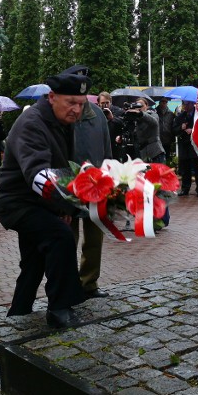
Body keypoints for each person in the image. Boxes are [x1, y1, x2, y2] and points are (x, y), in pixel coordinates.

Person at [0, 71, 92, 329]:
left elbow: (62, 165)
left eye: (81, 104)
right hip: (17, 201)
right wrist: (66, 204)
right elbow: (37, 173)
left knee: (35, 258)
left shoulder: (59, 119)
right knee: (59, 236)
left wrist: (63, 202)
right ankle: (59, 310)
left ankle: (19, 311)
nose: (76, 110)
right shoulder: (33, 122)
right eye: (71, 102)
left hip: (38, 201)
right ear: (51, 97)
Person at [67, 65, 113, 298]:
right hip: (67, 188)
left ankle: (88, 283)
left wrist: (110, 179)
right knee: (67, 238)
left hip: (97, 187)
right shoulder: (63, 115)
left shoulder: (98, 116)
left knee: (95, 238)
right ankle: (66, 285)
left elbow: (107, 151)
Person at [173, 101, 198, 197]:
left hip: (196, 145)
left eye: (187, 104)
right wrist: (181, 127)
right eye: (184, 104)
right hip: (184, 146)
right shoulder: (180, 117)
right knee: (185, 168)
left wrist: (193, 130)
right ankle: (185, 188)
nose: (185, 106)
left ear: (192, 104)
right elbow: (174, 130)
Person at [127, 97, 165, 163]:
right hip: (143, 155)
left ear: (146, 106)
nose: (139, 107)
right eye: (137, 105)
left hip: (155, 153)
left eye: (141, 105)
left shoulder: (153, 114)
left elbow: (154, 122)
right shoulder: (134, 119)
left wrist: (141, 114)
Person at [98, 91, 124, 161]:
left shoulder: (118, 111)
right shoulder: (96, 112)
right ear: (99, 104)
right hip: (100, 145)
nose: (105, 105)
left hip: (114, 146)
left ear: (111, 102)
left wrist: (112, 118)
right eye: (102, 103)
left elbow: (123, 123)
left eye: (107, 103)